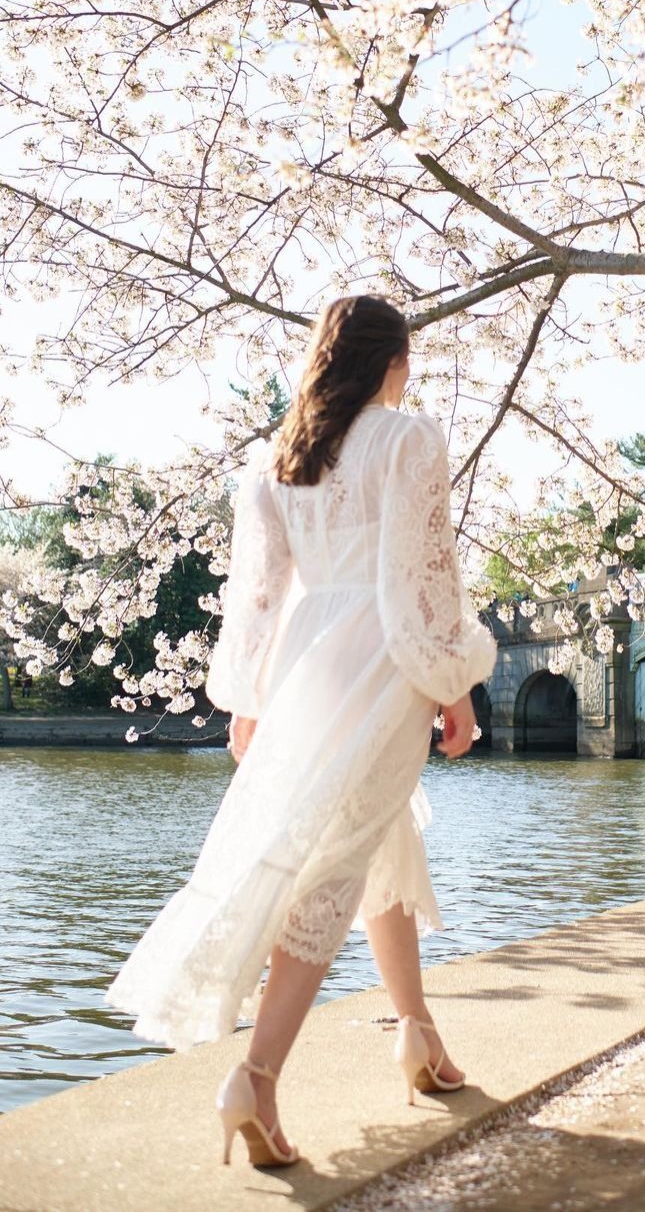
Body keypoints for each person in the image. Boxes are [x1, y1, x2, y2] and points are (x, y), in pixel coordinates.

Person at [107, 294, 495, 1167]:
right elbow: (424, 572)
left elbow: (257, 594)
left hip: (306, 660)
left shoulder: (279, 457)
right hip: (384, 656)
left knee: (374, 830)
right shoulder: (406, 437)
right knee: (334, 862)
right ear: (391, 361)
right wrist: (452, 677)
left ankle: (418, 1036)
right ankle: (256, 1075)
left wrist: (249, 697)